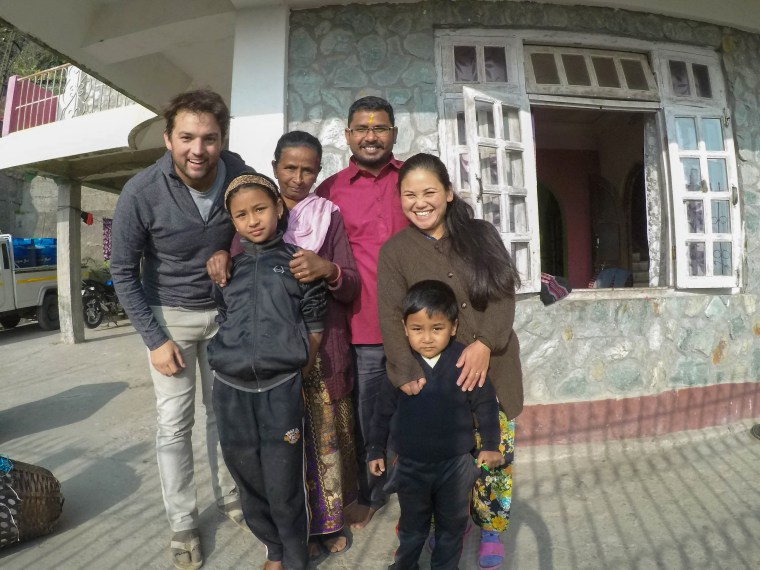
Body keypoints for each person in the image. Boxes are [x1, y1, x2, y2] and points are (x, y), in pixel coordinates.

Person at [110, 89, 252, 570]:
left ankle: (233, 498)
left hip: (225, 316)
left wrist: (228, 251)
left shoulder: (238, 171)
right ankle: (183, 521)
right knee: (174, 424)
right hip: (169, 317)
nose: (199, 150)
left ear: (222, 139)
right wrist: (155, 339)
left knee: (226, 415)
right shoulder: (141, 191)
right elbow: (122, 271)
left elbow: (261, 222)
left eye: (209, 138)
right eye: (187, 137)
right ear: (168, 139)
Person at [377, 153, 524, 570]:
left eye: (428, 192)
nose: (419, 202)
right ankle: (445, 525)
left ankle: (492, 525)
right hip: (437, 378)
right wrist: (405, 371)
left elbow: (503, 293)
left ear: (447, 193)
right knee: (444, 458)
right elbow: (390, 315)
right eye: (409, 194)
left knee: (494, 451)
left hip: (493, 365)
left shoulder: (479, 234)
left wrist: (483, 344)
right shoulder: (396, 252)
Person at [228, 131, 360, 557]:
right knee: (279, 447)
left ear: (318, 173)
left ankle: (324, 525)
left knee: (322, 439)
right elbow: (233, 267)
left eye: (308, 170)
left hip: (319, 350)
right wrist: (217, 258)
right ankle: (286, 539)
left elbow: (351, 283)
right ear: (274, 167)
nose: (299, 178)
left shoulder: (327, 216)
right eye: (290, 168)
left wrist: (327, 268)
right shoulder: (257, 210)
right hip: (267, 357)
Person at [208, 172, 327, 570]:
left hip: (280, 389)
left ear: (278, 208)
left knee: (283, 481)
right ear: (233, 223)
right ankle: (273, 548)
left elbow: (314, 321)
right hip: (230, 389)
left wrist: (300, 362)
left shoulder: (297, 264)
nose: (253, 220)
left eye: (260, 209)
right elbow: (225, 316)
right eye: (241, 215)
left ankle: (294, 557)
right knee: (247, 476)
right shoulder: (229, 269)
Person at [315, 96, 409, 529]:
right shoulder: (329, 191)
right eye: (362, 128)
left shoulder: (412, 179)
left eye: (381, 127)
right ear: (348, 135)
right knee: (368, 415)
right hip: (361, 326)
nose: (371, 135)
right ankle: (373, 494)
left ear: (394, 132)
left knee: (423, 410)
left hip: (418, 325)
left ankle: (418, 489)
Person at [368, 280, 503, 570]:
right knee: (412, 527)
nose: (426, 338)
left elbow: (486, 404)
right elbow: (381, 412)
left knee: (452, 526)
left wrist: (491, 445)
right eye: (417, 329)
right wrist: (375, 449)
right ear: (404, 328)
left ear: (453, 327)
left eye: (437, 329)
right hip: (411, 465)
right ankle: (405, 565)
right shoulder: (401, 364)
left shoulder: (463, 360)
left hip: (455, 466)